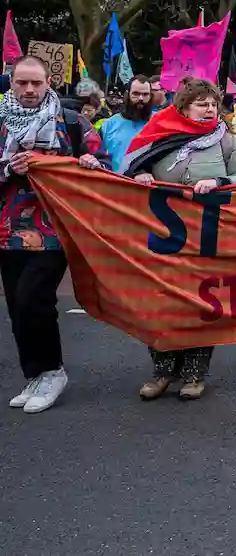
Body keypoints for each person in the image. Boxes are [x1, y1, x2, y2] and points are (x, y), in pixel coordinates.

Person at [124, 78, 236, 401]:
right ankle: (162, 371)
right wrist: (138, 175)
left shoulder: (228, 141)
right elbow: (126, 171)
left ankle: (194, 374)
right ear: (183, 107)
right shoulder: (157, 136)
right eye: (201, 103)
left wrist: (220, 181)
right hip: (161, 239)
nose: (209, 109)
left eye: (213, 104)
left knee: (201, 303)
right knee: (160, 304)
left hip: (207, 239)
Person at [0, 57, 108, 414]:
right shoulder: (1, 121)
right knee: (17, 305)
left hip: (56, 230)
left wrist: (90, 165)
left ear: (50, 82)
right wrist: (7, 169)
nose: (29, 90)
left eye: (36, 83)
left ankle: (53, 372)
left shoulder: (73, 122)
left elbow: (104, 165)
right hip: (7, 231)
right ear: (11, 83)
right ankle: (34, 374)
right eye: (22, 83)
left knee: (34, 298)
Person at [99, 77, 154, 173]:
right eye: (136, 94)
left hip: (148, 184)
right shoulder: (108, 125)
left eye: (145, 94)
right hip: (116, 182)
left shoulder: (160, 122)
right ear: (127, 95)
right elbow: (98, 156)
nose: (141, 98)